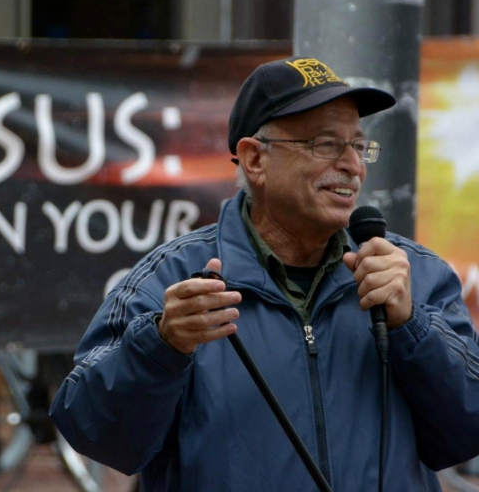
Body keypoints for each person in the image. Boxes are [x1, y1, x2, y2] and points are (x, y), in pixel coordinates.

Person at [50, 56, 479, 491]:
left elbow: (468, 429)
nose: (353, 165)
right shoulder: (172, 280)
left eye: (359, 145)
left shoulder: (414, 276)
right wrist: (161, 346)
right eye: (327, 144)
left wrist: (413, 328)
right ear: (255, 159)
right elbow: (94, 433)